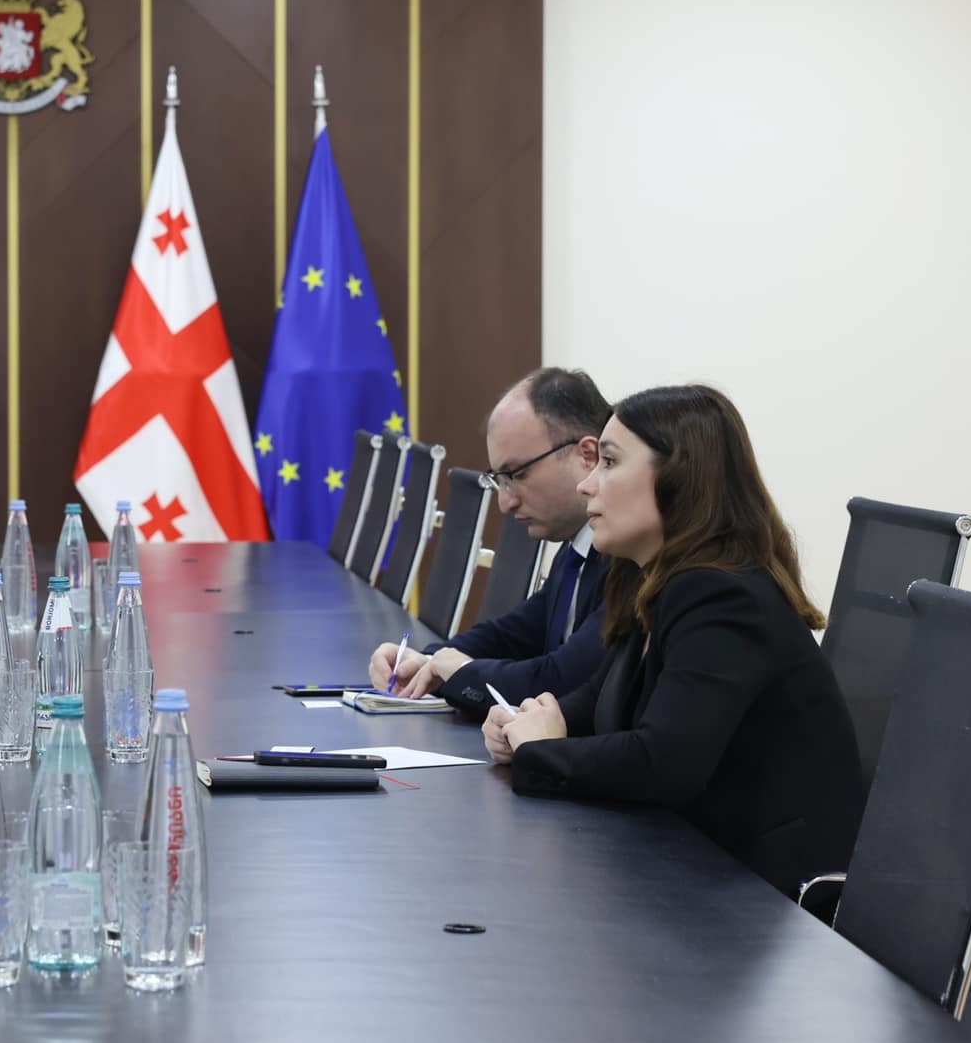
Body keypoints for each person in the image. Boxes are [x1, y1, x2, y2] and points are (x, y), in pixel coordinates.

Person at [485, 384, 864, 898]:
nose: (587, 485)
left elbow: (663, 763)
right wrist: (519, 724)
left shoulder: (722, 594)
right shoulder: (653, 577)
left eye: (609, 462)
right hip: (692, 864)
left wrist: (541, 751)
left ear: (678, 476)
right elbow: (594, 702)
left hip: (765, 899)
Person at [367, 367, 613, 718]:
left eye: (518, 474)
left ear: (587, 455)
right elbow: (514, 634)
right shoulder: (576, 548)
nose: (505, 503)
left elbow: (562, 679)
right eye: (500, 480)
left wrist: (457, 673)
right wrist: (427, 660)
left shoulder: (629, 558)